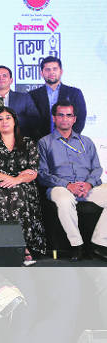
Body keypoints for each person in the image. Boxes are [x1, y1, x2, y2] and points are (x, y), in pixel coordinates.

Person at [37, 100, 107, 262]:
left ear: (74, 119)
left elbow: (97, 168)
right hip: (59, 187)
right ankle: (77, 245)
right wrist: (68, 185)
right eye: (61, 115)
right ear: (54, 118)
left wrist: (88, 184)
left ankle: (99, 243)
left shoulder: (86, 142)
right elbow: (42, 173)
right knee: (64, 200)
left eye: (69, 115)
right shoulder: (44, 142)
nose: (65, 119)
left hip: (86, 187)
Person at [0, 106, 46, 264]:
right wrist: (10, 178)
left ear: (15, 121)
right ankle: (9, 246)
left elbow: (33, 172)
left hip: (23, 184)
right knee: (3, 193)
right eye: (0, 119)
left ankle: (22, 245)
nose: (4, 122)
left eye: (8, 118)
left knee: (18, 192)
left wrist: (17, 180)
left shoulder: (28, 142)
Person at [29, 56, 87, 136]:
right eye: (47, 70)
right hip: (40, 140)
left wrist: (69, 138)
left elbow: (80, 118)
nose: (51, 72)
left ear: (61, 71)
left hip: (67, 140)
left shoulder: (74, 93)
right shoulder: (32, 95)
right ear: (41, 73)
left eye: (55, 69)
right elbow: (30, 121)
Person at [0, 65, 40, 138]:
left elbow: (34, 119)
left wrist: (12, 121)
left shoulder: (24, 97)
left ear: (11, 80)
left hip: (20, 138)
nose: (1, 78)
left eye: (4, 76)